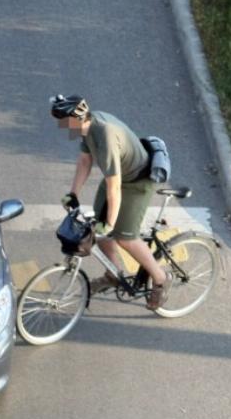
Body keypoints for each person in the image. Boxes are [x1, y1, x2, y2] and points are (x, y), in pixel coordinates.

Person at [50, 94, 172, 309]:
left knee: (125, 237)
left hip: (136, 183)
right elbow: (85, 160)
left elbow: (114, 187)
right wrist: (73, 194)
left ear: (76, 118)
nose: (62, 126)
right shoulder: (86, 127)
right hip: (119, 180)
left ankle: (161, 278)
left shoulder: (104, 134)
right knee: (98, 231)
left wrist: (110, 223)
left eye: (63, 121)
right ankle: (114, 273)